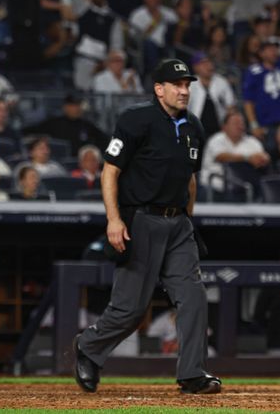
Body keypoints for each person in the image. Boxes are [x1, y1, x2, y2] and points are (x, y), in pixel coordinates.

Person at [73, 59, 220, 395]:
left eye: (187, 85)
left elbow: (191, 179)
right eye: (177, 85)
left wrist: (188, 219)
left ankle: (192, 373)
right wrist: (114, 219)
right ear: (159, 89)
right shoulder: (135, 119)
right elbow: (110, 171)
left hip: (179, 223)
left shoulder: (194, 126)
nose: (184, 90)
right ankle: (89, 346)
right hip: (141, 220)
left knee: (194, 296)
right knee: (131, 309)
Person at [199, 111, 270, 193]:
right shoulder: (216, 139)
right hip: (214, 187)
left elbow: (263, 157)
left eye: (242, 123)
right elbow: (221, 157)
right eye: (235, 123)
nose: (240, 126)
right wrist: (248, 158)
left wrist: (264, 159)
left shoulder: (252, 141)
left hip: (244, 188)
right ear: (224, 127)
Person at [187, 53, 236, 140]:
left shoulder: (221, 82)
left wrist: (228, 127)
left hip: (219, 129)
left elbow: (230, 106)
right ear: (195, 67)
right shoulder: (189, 84)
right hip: (195, 129)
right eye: (203, 63)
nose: (208, 66)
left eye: (209, 62)